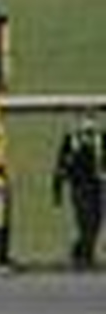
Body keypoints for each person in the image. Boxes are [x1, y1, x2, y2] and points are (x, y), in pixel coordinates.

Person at [57, 112, 106, 270]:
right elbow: (61, 164)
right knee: (84, 221)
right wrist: (57, 190)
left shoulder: (101, 138)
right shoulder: (72, 139)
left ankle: (80, 252)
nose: (89, 124)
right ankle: (86, 257)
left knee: (96, 221)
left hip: (97, 185)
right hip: (78, 185)